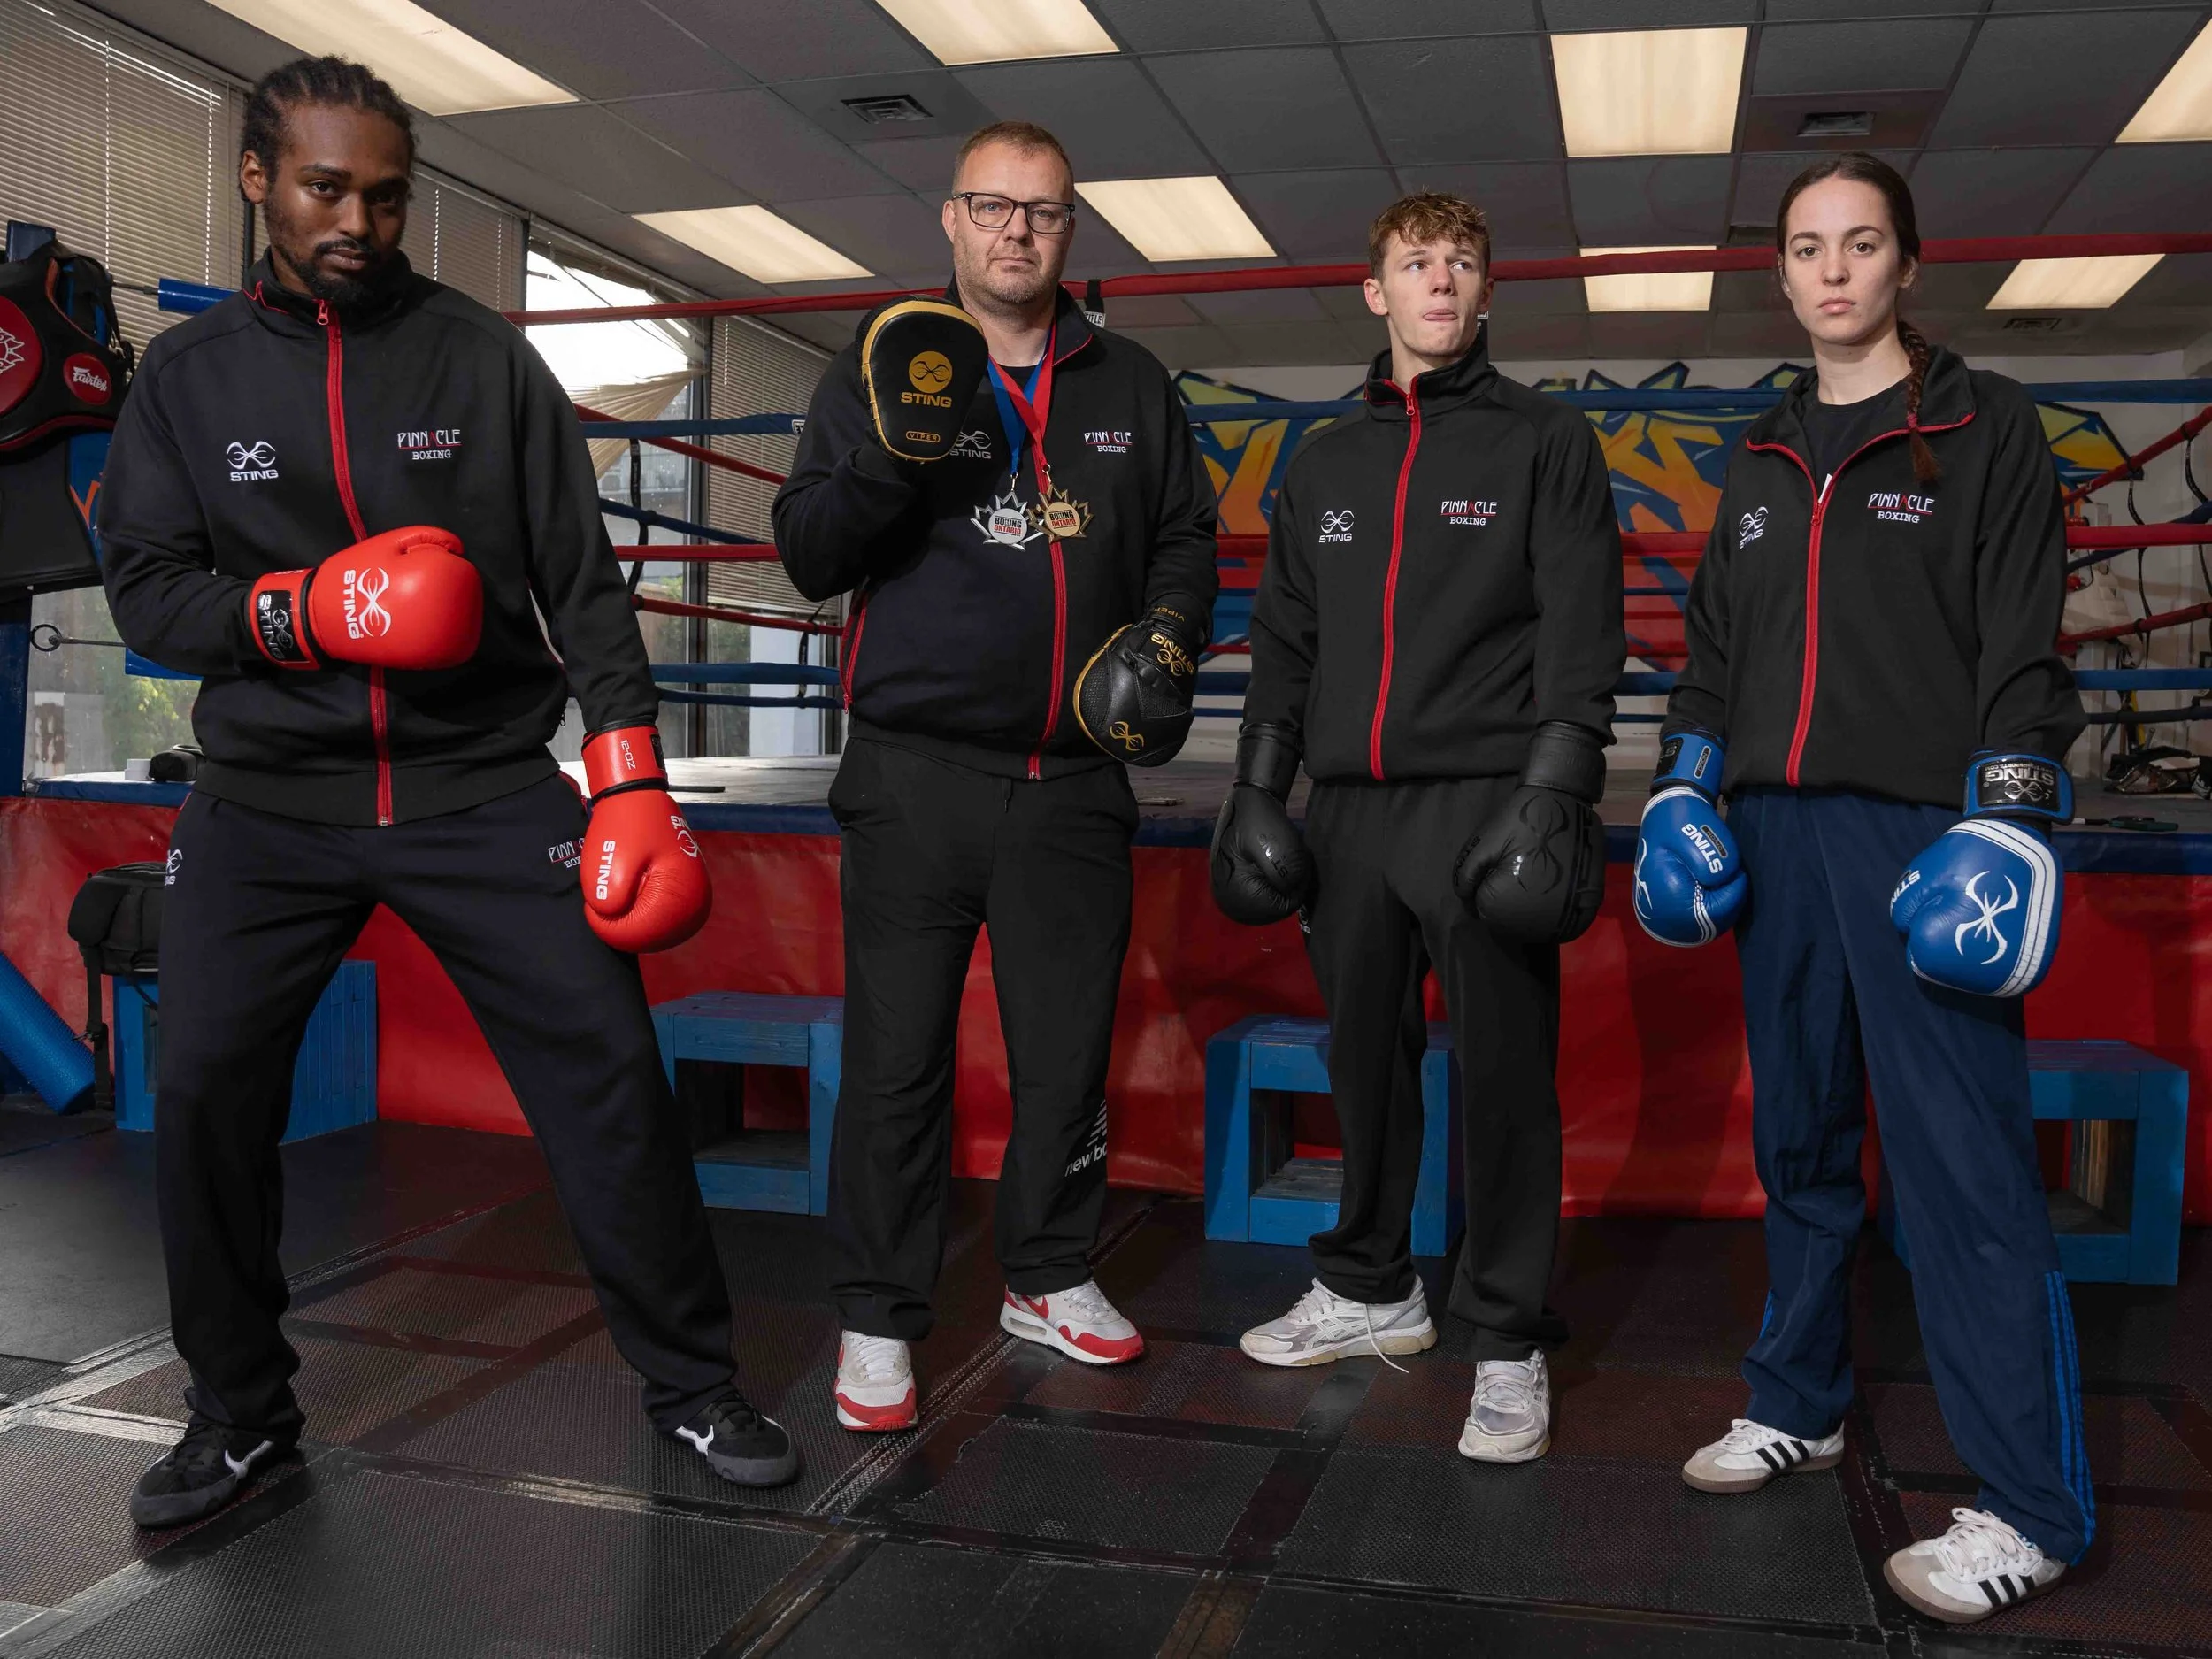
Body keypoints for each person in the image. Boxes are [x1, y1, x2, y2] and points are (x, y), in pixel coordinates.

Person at [98, 57, 797, 1526]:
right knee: (205, 1090)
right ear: (257, 181)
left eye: (386, 195)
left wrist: (629, 775)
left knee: (609, 1072)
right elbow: (150, 592)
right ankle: (238, 1414)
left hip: (478, 780)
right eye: (325, 189)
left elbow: (582, 583)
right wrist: (303, 611)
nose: (358, 222)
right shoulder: (189, 377)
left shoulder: (481, 360)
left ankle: (693, 1384)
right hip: (270, 794)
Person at [1636, 152, 2092, 1624]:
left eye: (1862, 243)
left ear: (1907, 263)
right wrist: (1682, 783)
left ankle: (2034, 1505)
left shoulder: (1984, 425)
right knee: (1801, 1138)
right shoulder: (1763, 455)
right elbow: (1713, 653)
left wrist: (2010, 812)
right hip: (1774, 837)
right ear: (1781, 272)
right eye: (1808, 247)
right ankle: (1799, 1395)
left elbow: (2023, 641)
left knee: (1964, 1166)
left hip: (1920, 837)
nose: (1834, 270)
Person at [773, 121, 1219, 1432]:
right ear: (953, 220)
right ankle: (877, 1317)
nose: (1017, 230)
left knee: (1066, 1058)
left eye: (1043, 210)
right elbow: (807, 552)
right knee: (897, 1061)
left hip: (1073, 782)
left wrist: (1169, 633)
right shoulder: (881, 362)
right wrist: (891, 458)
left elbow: (1185, 537)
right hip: (915, 773)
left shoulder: (1129, 381)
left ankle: (1047, 1272)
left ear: (1070, 229)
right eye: (992, 206)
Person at [1212, 191, 1624, 1463]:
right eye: (1414, 262)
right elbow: (1286, 640)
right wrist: (1258, 785)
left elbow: (1582, 626)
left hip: (1487, 801)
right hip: (1349, 810)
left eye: (1460, 263)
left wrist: (1556, 787)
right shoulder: (1323, 462)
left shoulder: (1545, 441)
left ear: (1486, 292)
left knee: (1504, 1076)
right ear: (1375, 290)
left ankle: (1504, 1335)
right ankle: (1371, 1284)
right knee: (1363, 1062)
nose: (1439, 282)